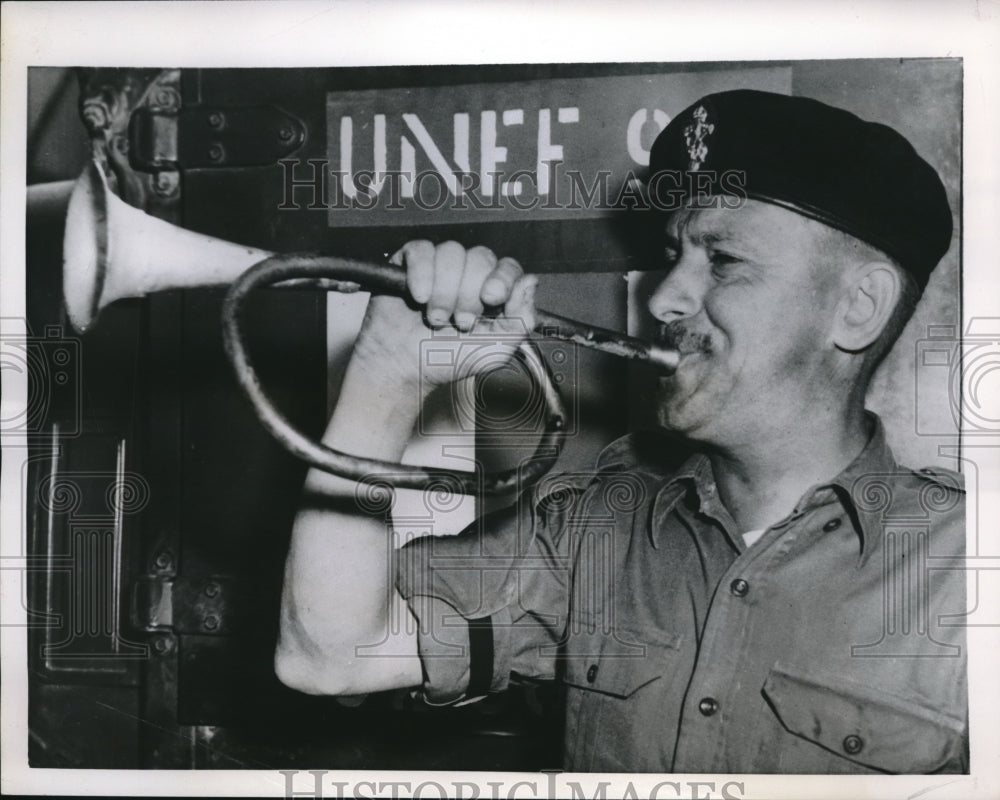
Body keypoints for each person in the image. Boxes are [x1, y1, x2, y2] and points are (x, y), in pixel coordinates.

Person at [273, 90, 967, 774]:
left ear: (858, 308)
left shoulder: (965, 572)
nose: (662, 298)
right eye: (674, 255)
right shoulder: (597, 529)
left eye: (722, 261)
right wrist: (389, 376)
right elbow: (327, 655)